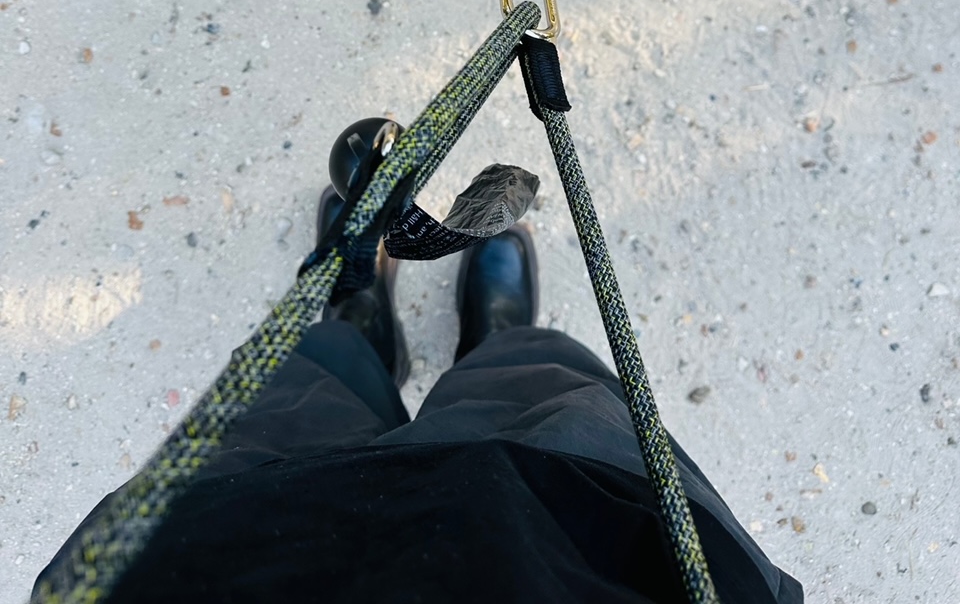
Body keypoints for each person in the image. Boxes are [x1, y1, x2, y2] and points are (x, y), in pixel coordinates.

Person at [35, 189, 803, 603]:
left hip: (226, 544)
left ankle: (360, 327)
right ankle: (496, 342)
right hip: (565, 532)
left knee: (296, 392)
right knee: (543, 395)